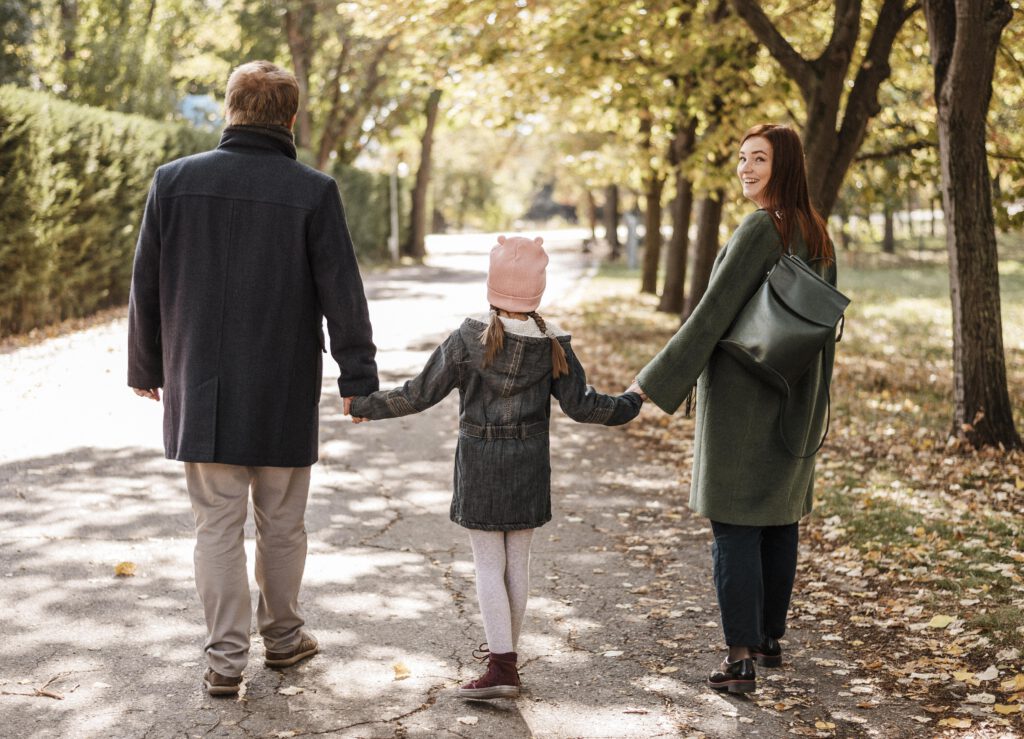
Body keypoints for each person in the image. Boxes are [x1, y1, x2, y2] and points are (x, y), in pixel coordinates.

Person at [127, 61, 379, 696]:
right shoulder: (314, 191)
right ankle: (285, 638)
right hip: (283, 387)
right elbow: (342, 293)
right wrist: (358, 377)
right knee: (283, 523)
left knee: (215, 526)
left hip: (202, 388)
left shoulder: (174, 182)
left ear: (230, 111)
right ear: (290, 119)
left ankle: (223, 662)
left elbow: (146, 283)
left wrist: (145, 366)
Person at [348, 235, 643, 699]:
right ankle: (505, 657)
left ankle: (502, 665)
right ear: (536, 292)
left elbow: (419, 393)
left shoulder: (469, 338)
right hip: (529, 463)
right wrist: (631, 401)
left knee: (488, 564)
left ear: (492, 286)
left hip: (481, 461)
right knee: (516, 563)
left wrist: (366, 404)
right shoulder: (552, 344)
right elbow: (584, 406)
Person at [634, 124, 837, 694]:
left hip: (745, 401)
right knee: (777, 519)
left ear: (785, 166)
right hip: (795, 398)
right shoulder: (817, 234)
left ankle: (739, 658)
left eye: (760, 160)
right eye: (742, 158)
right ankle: (770, 637)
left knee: (734, 526)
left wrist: (653, 384)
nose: (746, 169)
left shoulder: (761, 228)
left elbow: (711, 314)